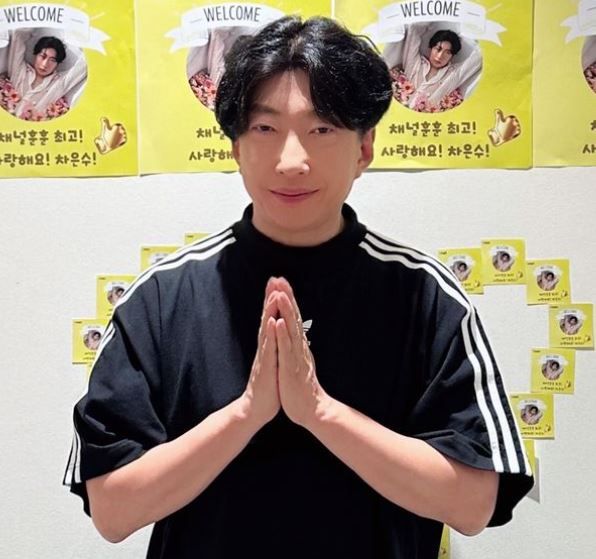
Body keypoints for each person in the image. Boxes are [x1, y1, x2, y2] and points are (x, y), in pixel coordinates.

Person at [63, 16, 532, 558]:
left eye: (322, 129)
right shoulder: (161, 298)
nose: (291, 161)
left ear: (364, 148)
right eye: (265, 129)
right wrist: (246, 414)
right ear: (236, 147)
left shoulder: (426, 295)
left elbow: (473, 504)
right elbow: (113, 511)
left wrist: (319, 412)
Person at [388, 24, 481, 113]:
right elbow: (413, 30)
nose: (440, 56)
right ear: (431, 48)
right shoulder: (415, 62)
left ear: (452, 56)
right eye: (438, 49)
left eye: (447, 53)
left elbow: (477, 58)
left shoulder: (452, 75)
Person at [0, 29, 86, 121]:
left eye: (52, 60)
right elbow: (17, 36)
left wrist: (80, 35)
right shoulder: (20, 70)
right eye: (42, 56)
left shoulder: (59, 83)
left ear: (57, 64)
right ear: (35, 55)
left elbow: (84, 66)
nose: (45, 64)